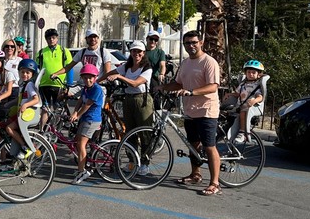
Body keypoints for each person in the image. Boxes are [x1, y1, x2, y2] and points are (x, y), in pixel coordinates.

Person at [158, 30, 222, 196]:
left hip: (207, 110)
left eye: (194, 42)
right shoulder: (186, 63)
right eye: (187, 43)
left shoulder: (209, 62)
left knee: (209, 146)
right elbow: (178, 83)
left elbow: (213, 86)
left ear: (201, 42)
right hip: (190, 111)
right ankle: (195, 174)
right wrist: (162, 87)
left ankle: (215, 183)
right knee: (193, 144)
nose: (191, 46)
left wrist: (191, 92)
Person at [99, 40, 153, 173]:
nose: (136, 54)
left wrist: (119, 77)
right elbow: (111, 73)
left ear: (143, 53)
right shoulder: (127, 66)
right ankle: (132, 161)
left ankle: (145, 162)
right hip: (128, 99)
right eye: (134, 51)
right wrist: (97, 81)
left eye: (139, 51)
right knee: (129, 132)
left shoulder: (146, 68)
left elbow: (135, 83)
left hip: (142, 100)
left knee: (145, 133)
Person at [68, 64, 105, 185]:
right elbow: (80, 101)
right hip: (85, 119)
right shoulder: (85, 88)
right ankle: (82, 165)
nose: (88, 80)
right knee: (77, 141)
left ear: (95, 78)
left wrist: (76, 116)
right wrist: (74, 112)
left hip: (92, 120)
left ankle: (82, 171)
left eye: (90, 78)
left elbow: (87, 105)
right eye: (85, 78)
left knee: (81, 144)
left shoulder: (96, 89)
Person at [4, 59, 42, 160]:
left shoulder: (29, 85)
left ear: (32, 73)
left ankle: (25, 147)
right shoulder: (23, 85)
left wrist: (25, 105)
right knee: (7, 122)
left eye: (27, 72)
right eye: (22, 72)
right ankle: (16, 149)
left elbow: (36, 99)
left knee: (9, 128)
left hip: (27, 115)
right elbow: (20, 98)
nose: (24, 74)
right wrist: (8, 104)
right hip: (22, 114)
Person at [224, 60, 266, 144]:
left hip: (250, 107)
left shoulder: (257, 86)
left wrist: (254, 101)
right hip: (239, 106)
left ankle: (242, 133)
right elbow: (237, 94)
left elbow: (260, 97)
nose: (250, 74)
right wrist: (229, 94)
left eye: (253, 72)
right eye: (248, 72)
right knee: (225, 112)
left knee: (243, 112)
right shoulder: (243, 84)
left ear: (259, 74)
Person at [36, 28, 72, 110]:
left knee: (58, 108)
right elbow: (37, 68)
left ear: (57, 38)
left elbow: (69, 68)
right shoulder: (41, 52)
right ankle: (45, 124)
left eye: (53, 37)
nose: (51, 40)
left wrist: (69, 85)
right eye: (49, 38)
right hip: (44, 85)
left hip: (59, 84)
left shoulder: (64, 51)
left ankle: (57, 122)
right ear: (46, 39)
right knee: (45, 108)